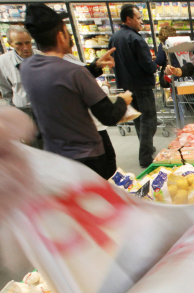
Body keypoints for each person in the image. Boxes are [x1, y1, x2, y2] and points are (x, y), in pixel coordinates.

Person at [20, 3, 130, 179]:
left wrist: (94, 67)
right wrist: (123, 101)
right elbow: (109, 116)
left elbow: (59, 81)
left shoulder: (27, 67)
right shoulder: (75, 72)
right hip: (88, 158)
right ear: (61, 36)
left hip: (56, 157)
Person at [109, 4, 158, 168]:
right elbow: (148, 66)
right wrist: (156, 64)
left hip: (126, 87)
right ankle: (145, 156)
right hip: (142, 86)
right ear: (128, 19)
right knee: (149, 120)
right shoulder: (136, 39)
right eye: (138, 18)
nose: (141, 21)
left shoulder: (114, 37)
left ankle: (147, 147)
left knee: (137, 119)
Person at [0, 25, 42, 148]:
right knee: (32, 147)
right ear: (10, 44)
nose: (25, 48)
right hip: (24, 112)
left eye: (28, 42)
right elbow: (5, 89)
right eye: (19, 44)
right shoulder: (3, 61)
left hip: (44, 110)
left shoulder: (42, 57)